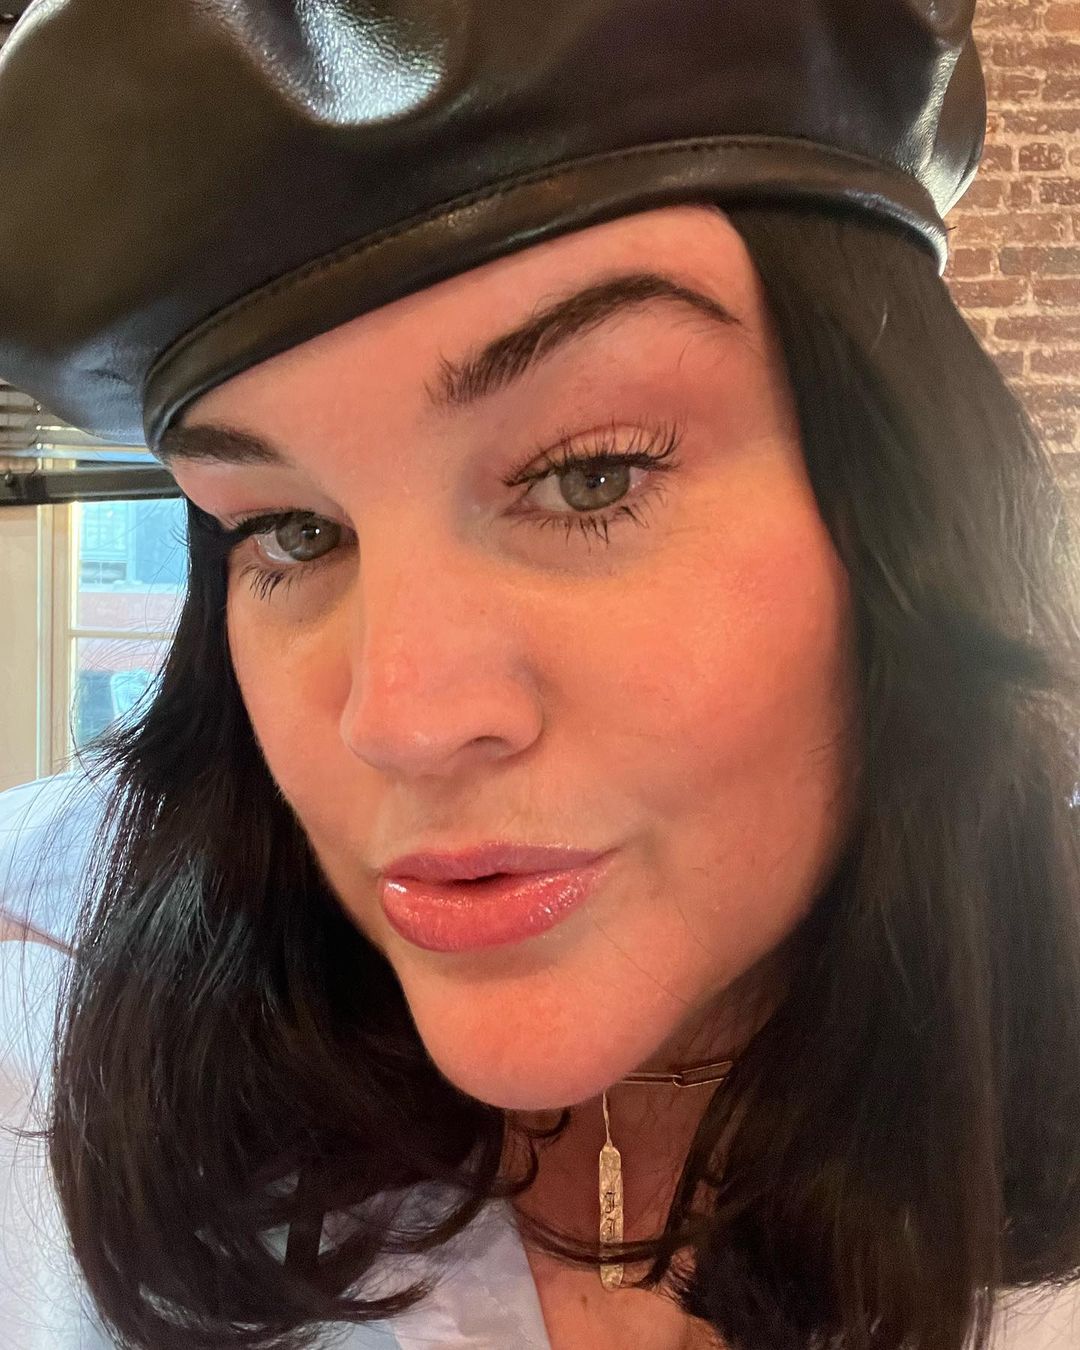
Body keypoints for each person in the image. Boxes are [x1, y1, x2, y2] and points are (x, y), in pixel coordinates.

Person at [1, 2, 1079, 1348]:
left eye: (591, 476)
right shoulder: (34, 1024)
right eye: (293, 532)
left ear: (904, 510)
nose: (399, 719)